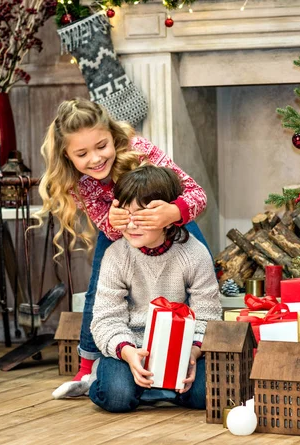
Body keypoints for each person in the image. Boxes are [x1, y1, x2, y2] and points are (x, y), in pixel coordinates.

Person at [34, 98, 209, 383]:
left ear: (113, 137)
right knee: (97, 288)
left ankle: (196, 348)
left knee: (203, 270)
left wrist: (174, 211)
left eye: (102, 146)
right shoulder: (77, 182)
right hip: (121, 232)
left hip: (170, 221)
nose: (95, 158)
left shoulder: (138, 149)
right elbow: (108, 227)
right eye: (82, 153)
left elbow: (196, 193)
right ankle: (88, 365)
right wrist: (115, 223)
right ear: (67, 156)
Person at [54, 165, 222, 411]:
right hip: (130, 347)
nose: (131, 224)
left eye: (142, 216)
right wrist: (128, 352)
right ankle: (106, 381)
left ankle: (154, 390)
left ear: (167, 218)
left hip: (179, 349)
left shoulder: (194, 254)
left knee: (205, 395)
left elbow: (208, 313)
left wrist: (193, 354)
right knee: (117, 396)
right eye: (125, 214)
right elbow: (105, 319)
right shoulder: (116, 256)